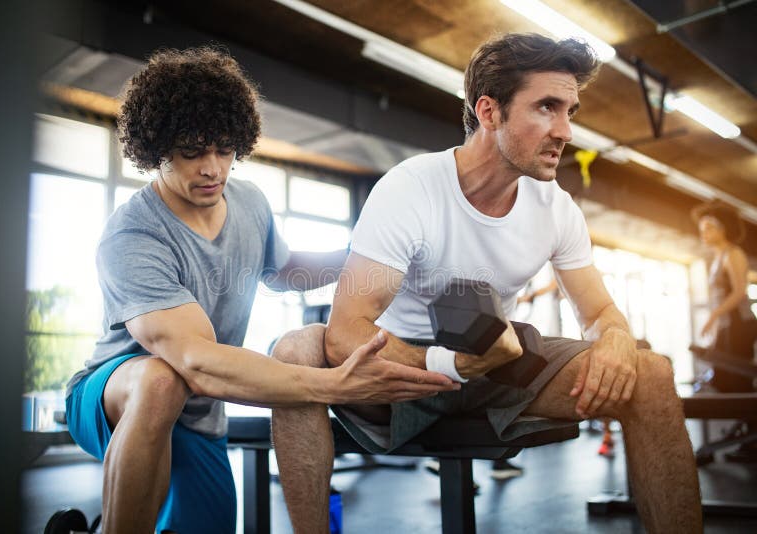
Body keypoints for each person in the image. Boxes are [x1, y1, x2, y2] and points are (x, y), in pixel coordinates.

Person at [271, 33, 702, 533]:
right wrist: (448, 364)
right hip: (398, 374)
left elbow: (600, 312)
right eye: (547, 107)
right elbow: (346, 333)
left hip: (497, 365)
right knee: (296, 349)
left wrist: (617, 340)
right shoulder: (411, 189)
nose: (565, 130)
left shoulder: (556, 208)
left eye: (570, 112)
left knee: (651, 374)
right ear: (489, 111)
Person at [63, 46, 458, 534]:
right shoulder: (134, 234)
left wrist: (370, 253)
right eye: (192, 152)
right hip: (114, 394)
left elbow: (285, 270)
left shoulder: (248, 202)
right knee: (161, 380)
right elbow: (195, 361)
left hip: (198, 413)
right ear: (157, 149)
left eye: (224, 150)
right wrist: (332, 385)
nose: (213, 168)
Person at [693, 200, 757, 392]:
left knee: (738, 379)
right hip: (726, 324)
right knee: (722, 378)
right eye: (702, 229)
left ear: (723, 229)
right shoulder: (716, 259)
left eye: (709, 228)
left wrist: (713, 316)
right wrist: (716, 325)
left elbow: (739, 292)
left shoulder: (733, 254)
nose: (704, 233)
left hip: (740, 323)